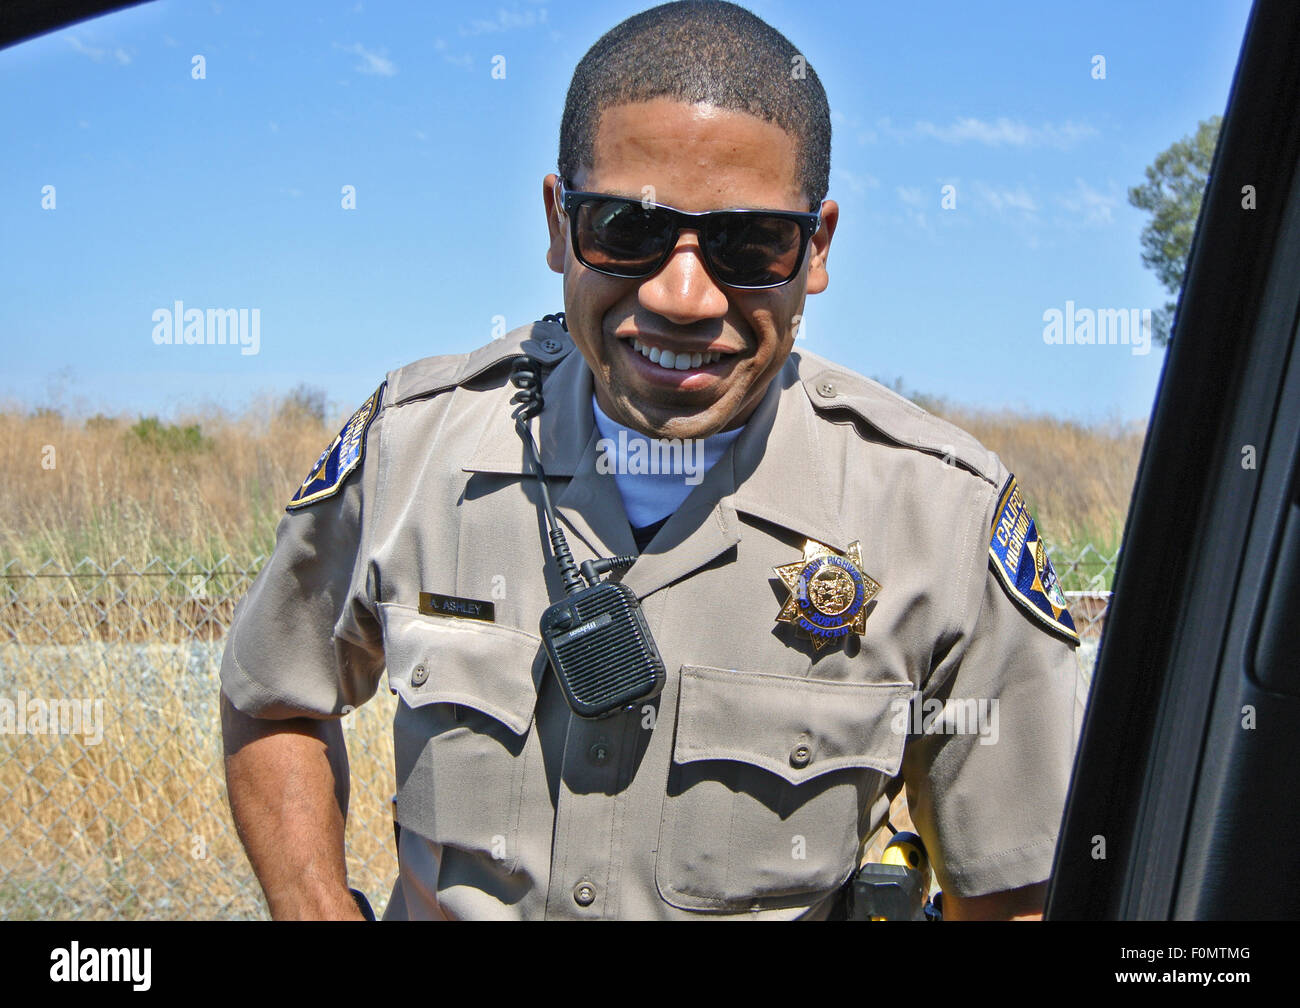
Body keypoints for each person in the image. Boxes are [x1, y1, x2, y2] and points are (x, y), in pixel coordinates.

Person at [219, 0, 1080, 921]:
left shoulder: (940, 518)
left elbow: (1011, 893)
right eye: (625, 231)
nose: (681, 295)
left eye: (749, 243)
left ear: (815, 248)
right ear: (559, 224)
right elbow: (274, 698)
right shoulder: (413, 449)